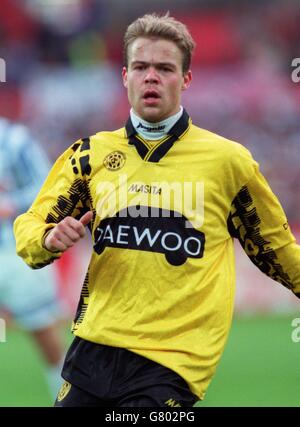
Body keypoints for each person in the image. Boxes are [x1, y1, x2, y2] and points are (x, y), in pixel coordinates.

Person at [14, 13, 300, 407]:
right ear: (125, 76)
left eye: (165, 68)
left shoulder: (229, 162)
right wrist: (47, 238)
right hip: (92, 350)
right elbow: (30, 226)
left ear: (185, 80)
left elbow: (275, 248)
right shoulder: (89, 155)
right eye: (141, 67)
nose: (151, 77)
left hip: (173, 363)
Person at [0, 117, 65, 400]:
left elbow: (48, 187)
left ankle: (65, 396)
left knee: (42, 330)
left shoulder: (15, 140)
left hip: (15, 251)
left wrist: (10, 204)